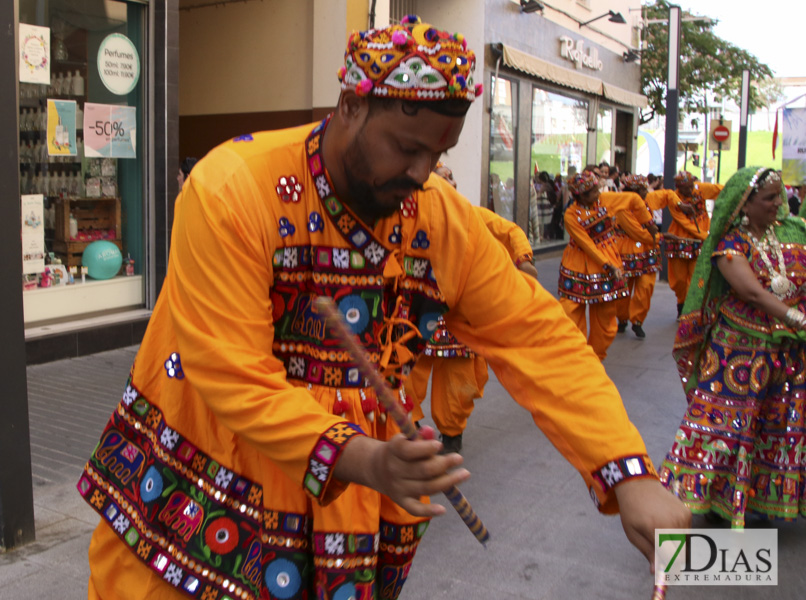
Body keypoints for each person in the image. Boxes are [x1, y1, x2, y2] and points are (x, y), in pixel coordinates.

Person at [79, 16, 688, 600]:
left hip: (347, 499)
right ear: (350, 106)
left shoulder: (440, 219)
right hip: (208, 473)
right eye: (406, 147)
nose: (422, 173)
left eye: (439, 152)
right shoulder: (235, 186)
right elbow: (227, 369)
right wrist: (364, 457)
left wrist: (627, 474)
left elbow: (538, 338)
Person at [662, 167, 806, 529]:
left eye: (780, 196)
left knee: (773, 426)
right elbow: (751, 292)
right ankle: (704, 498)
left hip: (786, 354)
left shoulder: (792, 235)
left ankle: (758, 500)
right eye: (769, 198)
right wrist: (799, 320)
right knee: (725, 429)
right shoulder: (730, 245)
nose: (779, 204)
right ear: (745, 204)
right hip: (736, 353)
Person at [405, 205, 537, 455]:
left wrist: (523, 259)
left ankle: (452, 434)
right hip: (416, 308)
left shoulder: (468, 214)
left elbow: (510, 231)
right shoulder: (405, 214)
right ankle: (407, 425)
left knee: (458, 380)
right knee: (406, 371)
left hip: (459, 310)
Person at [558, 171, 653, 360]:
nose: (597, 193)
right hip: (578, 264)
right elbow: (586, 244)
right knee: (569, 312)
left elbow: (633, 199)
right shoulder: (570, 215)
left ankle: (595, 356)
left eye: (596, 189)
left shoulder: (606, 200)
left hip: (609, 258)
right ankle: (577, 356)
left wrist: (648, 223)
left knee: (607, 320)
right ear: (579, 196)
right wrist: (607, 265)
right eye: (592, 192)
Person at [614, 174, 661, 339]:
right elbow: (637, 232)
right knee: (624, 288)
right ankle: (622, 318)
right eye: (641, 189)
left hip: (647, 251)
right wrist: (660, 238)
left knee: (646, 286)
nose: (644, 192)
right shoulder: (622, 208)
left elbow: (666, 196)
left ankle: (638, 321)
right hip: (626, 249)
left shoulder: (646, 203)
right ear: (632, 192)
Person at [663, 171, 710, 318]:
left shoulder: (701, 190)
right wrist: (704, 236)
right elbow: (683, 222)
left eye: (691, 187)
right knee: (679, 280)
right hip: (679, 241)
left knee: (697, 276)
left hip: (699, 242)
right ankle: (681, 302)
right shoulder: (674, 198)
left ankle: (690, 308)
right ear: (678, 187)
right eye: (686, 188)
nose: (690, 191)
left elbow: (720, 189)